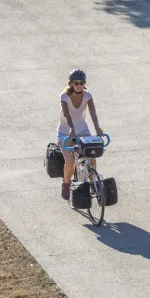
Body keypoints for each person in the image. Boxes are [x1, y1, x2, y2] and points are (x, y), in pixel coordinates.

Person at [57, 69, 104, 200]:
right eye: (76, 83)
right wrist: (71, 129)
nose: (79, 85)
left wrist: (97, 128)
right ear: (71, 83)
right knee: (70, 161)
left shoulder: (88, 96)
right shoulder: (64, 96)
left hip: (83, 130)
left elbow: (93, 113)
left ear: (84, 83)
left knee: (92, 155)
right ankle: (66, 185)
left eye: (81, 83)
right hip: (65, 132)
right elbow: (67, 115)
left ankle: (92, 183)